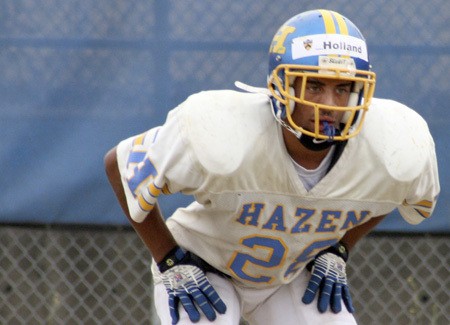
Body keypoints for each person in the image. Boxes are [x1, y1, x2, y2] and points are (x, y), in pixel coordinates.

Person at [104, 9, 440, 325]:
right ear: (283, 86)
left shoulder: (394, 148)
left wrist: (340, 249)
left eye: (343, 89)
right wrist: (168, 260)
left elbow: (391, 190)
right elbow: (119, 167)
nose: (328, 104)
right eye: (315, 85)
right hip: (204, 269)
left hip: (292, 275)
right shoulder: (221, 131)